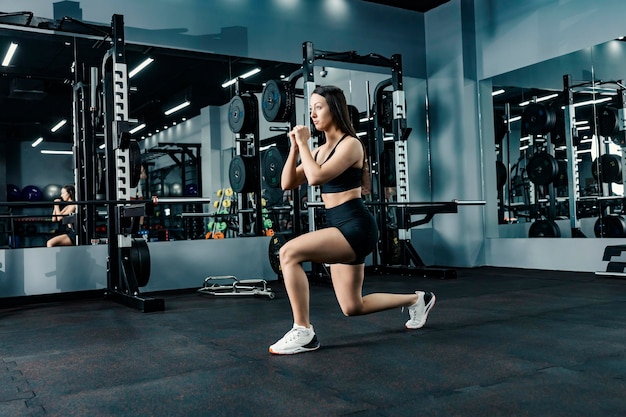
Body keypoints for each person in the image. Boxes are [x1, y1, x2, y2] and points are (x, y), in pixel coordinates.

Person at [269, 85, 436, 355]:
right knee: (352, 306)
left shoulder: (351, 145)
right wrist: (294, 149)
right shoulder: (321, 151)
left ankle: (303, 331)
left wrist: (303, 144)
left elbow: (315, 178)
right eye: (310, 109)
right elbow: (287, 182)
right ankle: (419, 299)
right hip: (339, 227)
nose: (312, 114)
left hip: (356, 227)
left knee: (287, 252)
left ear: (335, 108)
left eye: (318, 107)